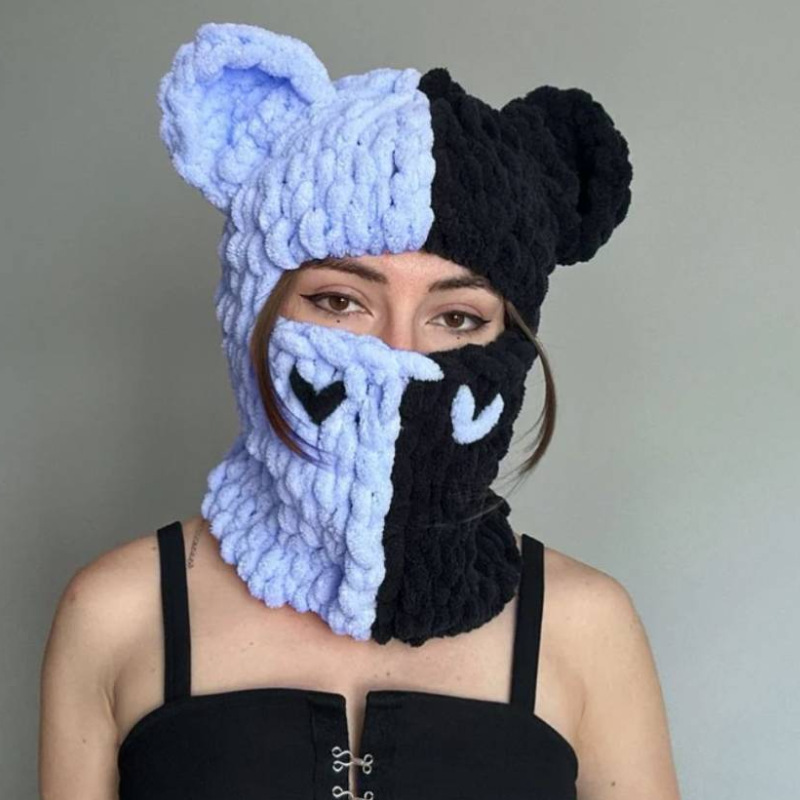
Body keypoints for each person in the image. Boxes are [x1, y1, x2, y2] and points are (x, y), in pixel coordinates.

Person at [38, 22, 681, 800]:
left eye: (457, 317)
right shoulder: (117, 613)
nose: (397, 356)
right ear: (252, 313)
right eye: (340, 301)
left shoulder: (586, 627)